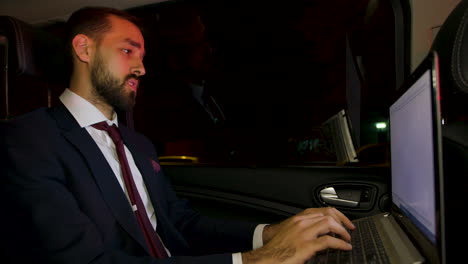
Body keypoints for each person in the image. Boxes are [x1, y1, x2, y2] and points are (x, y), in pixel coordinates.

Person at [0, 7, 354, 264]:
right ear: (84, 49)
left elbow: (181, 223)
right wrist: (260, 260)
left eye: (142, 55)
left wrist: (269, 234)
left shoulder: (137, 144)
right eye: (127, 51)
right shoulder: (28, 141)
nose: (141, 67)